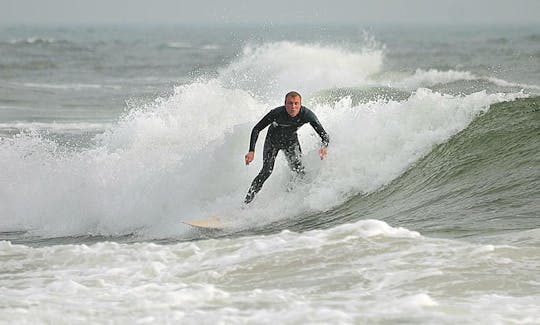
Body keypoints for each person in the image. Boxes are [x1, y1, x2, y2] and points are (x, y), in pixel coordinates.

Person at [244, 91, 329, 204]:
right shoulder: (276, 113)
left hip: (291, 142)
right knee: (266, 171)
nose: (293, 107)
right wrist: (251, 151)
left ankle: (290, 196)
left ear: (300, 104)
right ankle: (246, 203)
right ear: (285, 104)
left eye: (296, 103)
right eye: (290, 103)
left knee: (299, 171)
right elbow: (257, 129)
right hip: (273, 141)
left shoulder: (307, 114)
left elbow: (324, 135)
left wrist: (324, 147)